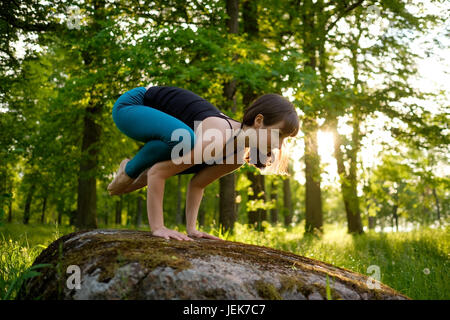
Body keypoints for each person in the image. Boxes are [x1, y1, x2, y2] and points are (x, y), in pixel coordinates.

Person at [107, 85, 299, 241]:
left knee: (132, 184)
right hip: (132, 106)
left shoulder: (236, 157)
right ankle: (127, 170)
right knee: (184, 142)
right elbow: (158, 172)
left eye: (285, 139)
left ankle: (128, 171)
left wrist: (192, 229)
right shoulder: (219, 136)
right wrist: (158, 227)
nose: (279, 144)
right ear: (259, 120)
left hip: (169, 137)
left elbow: (197, 184)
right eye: (279, 134)